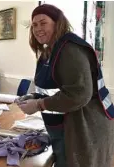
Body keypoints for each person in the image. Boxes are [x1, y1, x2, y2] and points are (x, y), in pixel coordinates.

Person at [15, 4, 114, 167]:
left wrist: (39, 104)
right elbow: (55, 87)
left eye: (43, 23)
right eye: (34, 25)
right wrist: (34, 96)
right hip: (65, 124)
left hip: (87, 126)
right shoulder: (49, 51)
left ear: (57, 23)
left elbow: (79, 94)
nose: (38, 28)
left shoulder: (70, 49)